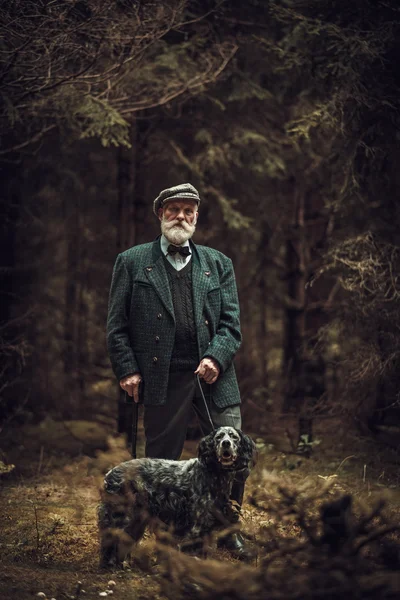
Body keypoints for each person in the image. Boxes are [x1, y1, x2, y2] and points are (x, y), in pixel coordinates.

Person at [107, 183, 251, 559]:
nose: (182, 217)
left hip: (213, 376)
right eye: (174, 210)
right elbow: (116, 326)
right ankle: (168, 537)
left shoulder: (219, 264)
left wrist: (216, 357)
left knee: (234, 449)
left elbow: (231, 325)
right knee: (162, 464)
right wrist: (127, 369)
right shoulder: (132, 261)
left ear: (197, 216)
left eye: (189, 211)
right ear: (160, 214)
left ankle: (226, 527)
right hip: (161, 377)